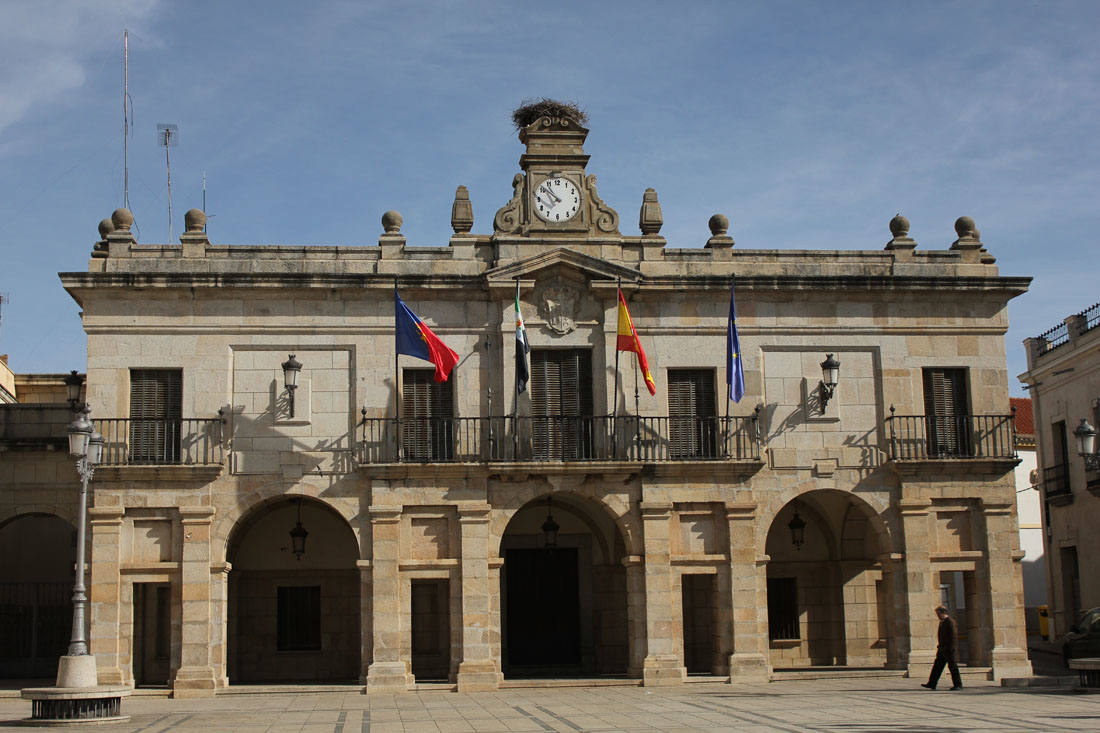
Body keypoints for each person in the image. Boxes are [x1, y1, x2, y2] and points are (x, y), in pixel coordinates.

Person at [921, 605, 962, 690]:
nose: (937, 616)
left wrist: (951, 648)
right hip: (942, 649)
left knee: (953, 667)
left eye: (938, 614)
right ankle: (932, 683)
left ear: (942, 613)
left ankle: (958, 684)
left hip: (949, 649)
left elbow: (953, 636)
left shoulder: (950, 622)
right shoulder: (942, 622)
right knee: (937, 667)